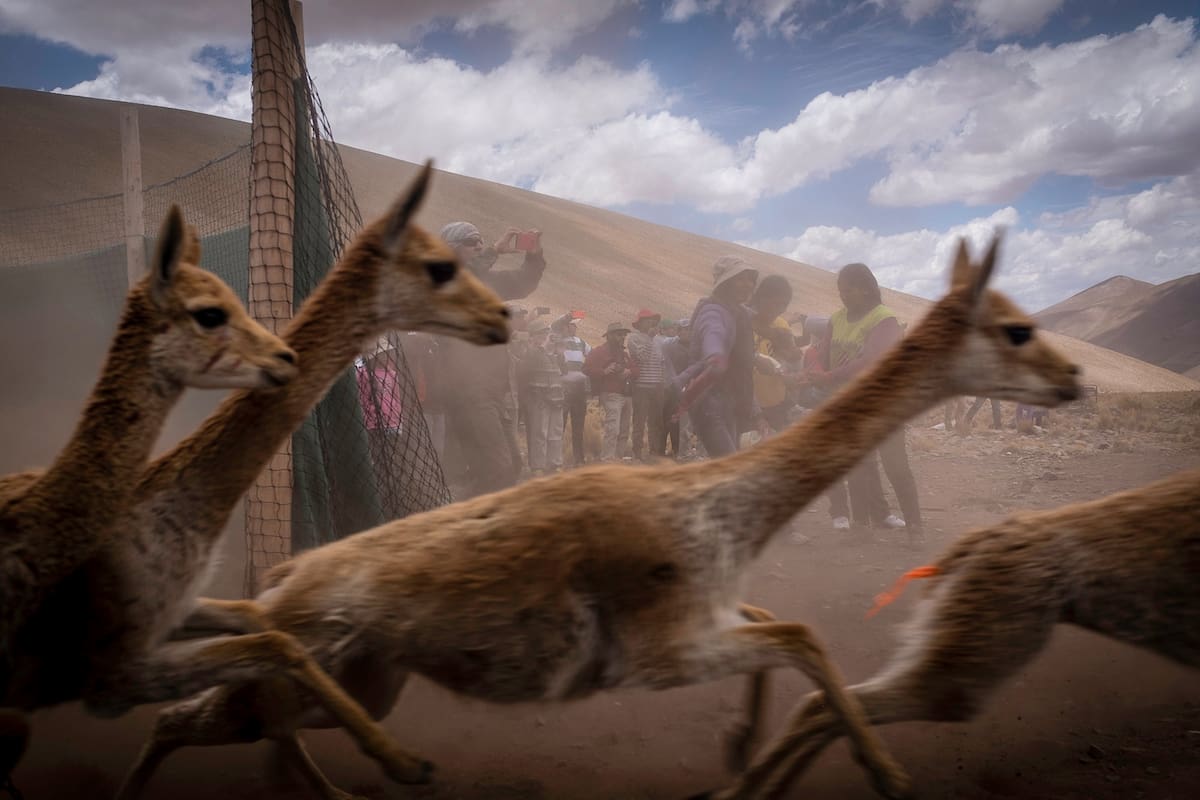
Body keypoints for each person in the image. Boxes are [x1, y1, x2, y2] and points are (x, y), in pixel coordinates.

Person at [807, 262, 923, 535]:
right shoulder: (836, 319)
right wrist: (812, 370)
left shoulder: (885, 319)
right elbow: (822, 353)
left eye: (849, 289)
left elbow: (872, 359)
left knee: (895, 465)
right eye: (840, 289)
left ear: (866, 289)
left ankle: (915, 526)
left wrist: (830, 376)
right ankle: (860, 525)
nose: (843, 294)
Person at [437, 221, 546, 498]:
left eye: (481, 241)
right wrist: (494, 251)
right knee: (498, 467)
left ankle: (472, 517)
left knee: (510, 465)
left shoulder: (487, 282)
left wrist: (533, 254)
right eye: (472, 241)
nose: (479, 245)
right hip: (468, 390)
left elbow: (524, 282)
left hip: (494, 389)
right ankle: (473, 521)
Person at [674, 255, 760, 458]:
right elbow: (714, 336)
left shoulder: (737, 312)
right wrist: (715, 355)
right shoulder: (713, 313)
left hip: (729, 399)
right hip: (709, 401)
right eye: (741, 278)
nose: (748, 284)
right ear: (726, 283)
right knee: (729, 465)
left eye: (750, 279)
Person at [749, 275, 799, 434]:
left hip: (776, 403)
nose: (779, 309)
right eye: (776, 303)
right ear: (761, 298)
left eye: (784, 305)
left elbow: (786, 360)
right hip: (745, 404)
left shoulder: (781, 324)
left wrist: (791, 372)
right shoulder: (741, 321)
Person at [583, 322, 635, 462]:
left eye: (624, 334)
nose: (623, 337)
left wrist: (628, 371)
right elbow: (586, 369)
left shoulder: (624, 354)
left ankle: (617, 457)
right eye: (619, 334)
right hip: (611, 394)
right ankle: (607, 458)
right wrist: (604, 371)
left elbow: (636, 370)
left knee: (624, 430)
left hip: (627, 395)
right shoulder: (599, 352)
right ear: (610, 336)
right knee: (613, 428)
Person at [521, 318, 566, 475]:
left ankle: (555, 463)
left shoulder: (551, 353)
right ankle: (538, 466)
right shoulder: (529, 351)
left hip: (556, 398)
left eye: (546, 332)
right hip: (538, 398)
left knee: (556, 433)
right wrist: (543, 347)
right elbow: (526, 370)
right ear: (532, 336)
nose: (545, 336)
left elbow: (563, 371)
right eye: (541, 333)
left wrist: (558, 353)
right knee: (540, 433)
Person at [627, 309, 667, 461]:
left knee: (656, 421)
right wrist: (649, 339)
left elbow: (662, 363)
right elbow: (641, 358)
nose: (651, 323)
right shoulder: (633, 338)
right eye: (647, 320)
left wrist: (663, 383)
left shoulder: (660, 341)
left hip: (657, 385)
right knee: (639, 421)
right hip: (641, 386)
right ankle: (637, 452)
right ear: (640, 323)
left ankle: (654, 451)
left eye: (652, 320)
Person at [553, 312, 591, 466]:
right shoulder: (557, 339)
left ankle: (578, 458)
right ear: (565, 326)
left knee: (578, 426)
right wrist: (567, 316)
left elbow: (592, 355)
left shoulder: (582, 342)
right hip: (563, 388)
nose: (574, 327)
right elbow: (554, 326)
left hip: (579, 389)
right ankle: (556, 459)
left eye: (575, 325)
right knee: (559, 425)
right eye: (571, 324)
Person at [661, 318, 694, 459]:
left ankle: (683, 451)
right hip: (672, 387)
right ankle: (665, 451)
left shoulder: (696, 345)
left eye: (689, 329)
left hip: (692, 386)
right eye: (683, 329)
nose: (686, 332)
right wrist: (677, 384)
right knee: (669, 420)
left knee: (689, 422)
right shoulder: (669, 344)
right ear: (678, 331)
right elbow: (668, 366)